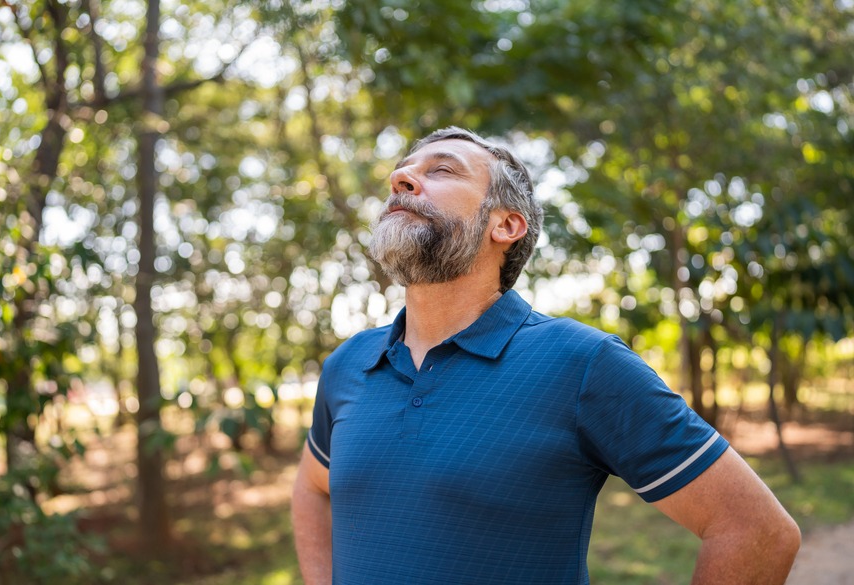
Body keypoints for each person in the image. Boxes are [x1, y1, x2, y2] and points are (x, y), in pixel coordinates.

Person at [291, 126, 801, 584]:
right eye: (402, 171)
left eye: (441, 169)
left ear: (506, 226)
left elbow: (757, 531)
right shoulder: (347, 365)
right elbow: (311, 488)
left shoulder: (584, 363)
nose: (401, 177)